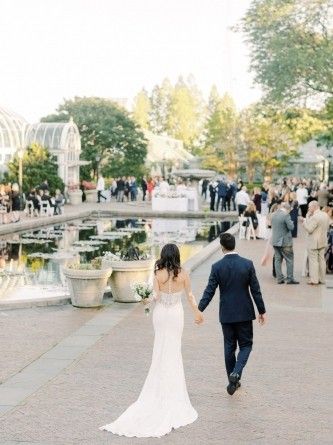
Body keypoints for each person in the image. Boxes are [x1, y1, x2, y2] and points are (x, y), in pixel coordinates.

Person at [100, 244, 202, 437]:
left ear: (163, 256)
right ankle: (173, 391)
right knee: (173, 351)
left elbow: (154, 297)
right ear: (178, 256)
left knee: (160, 350)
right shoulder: (183, 274)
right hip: (176, 315)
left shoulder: (158, 273)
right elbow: (189, 296)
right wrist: (197, 312)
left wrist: (145, 299)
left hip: (161, 314)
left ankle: (158, 387)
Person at [198, 233, 266, 395]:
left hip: (226, 314)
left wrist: (199, 309)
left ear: (222, 247)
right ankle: (236, 374)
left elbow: (210, 291)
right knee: (246, 345)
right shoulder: (247, 264)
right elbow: (256, 291)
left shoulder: (217, 267)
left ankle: (232, 380)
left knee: (229, 347)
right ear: (234, 245)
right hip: (244, 313)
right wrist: (261, 311)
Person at [302, 200, 330, 285]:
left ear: (314, 207)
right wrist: (307, 216)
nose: (308, 209)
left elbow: (309, 229)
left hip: (314, 242)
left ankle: (314, 279)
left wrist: (304, 223)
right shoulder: (325, 215)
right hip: (323, 240)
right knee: (322, 260)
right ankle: (322, 279)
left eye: (309, 207)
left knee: (313, 261)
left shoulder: (315, 217)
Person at [271, 202, 299, 284]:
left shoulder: (273, 214)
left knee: (277, 259)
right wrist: (292, 222)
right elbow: (291, 227)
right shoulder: (286, 215)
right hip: (285, 241)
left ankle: (279, 278)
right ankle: (290, 278)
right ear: (288, 209)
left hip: (275, 240)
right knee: (289, 260)